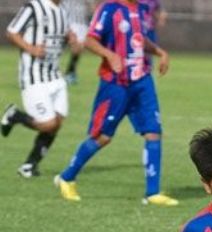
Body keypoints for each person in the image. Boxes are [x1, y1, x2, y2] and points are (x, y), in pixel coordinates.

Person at [54, 0, 177, 205]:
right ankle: (67, 178)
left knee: (153, 131)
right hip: (115, 84)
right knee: (102, 137)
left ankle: (152, 192)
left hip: (142, 81)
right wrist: (110, 55)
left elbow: (140, 39)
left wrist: (160, 52)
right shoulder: (109, 9)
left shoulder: (142, 9)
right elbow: (90, 40)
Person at [2, 0, 76, 178]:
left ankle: (29, 166)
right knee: (48, 123)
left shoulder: (62, 11)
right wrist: (31, 48)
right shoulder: (34, 6)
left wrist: (69, 37)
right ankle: (14, 115)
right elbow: (11, 32)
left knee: (56, 123)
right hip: (34, 76)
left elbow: (60, 36)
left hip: (55, 76)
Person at [62, 0, 92, 85]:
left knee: (79, 49)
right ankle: (67, 73)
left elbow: (90, 7)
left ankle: (70, 73)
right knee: (74, 47)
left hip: (82, 24)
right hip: (70, 22)